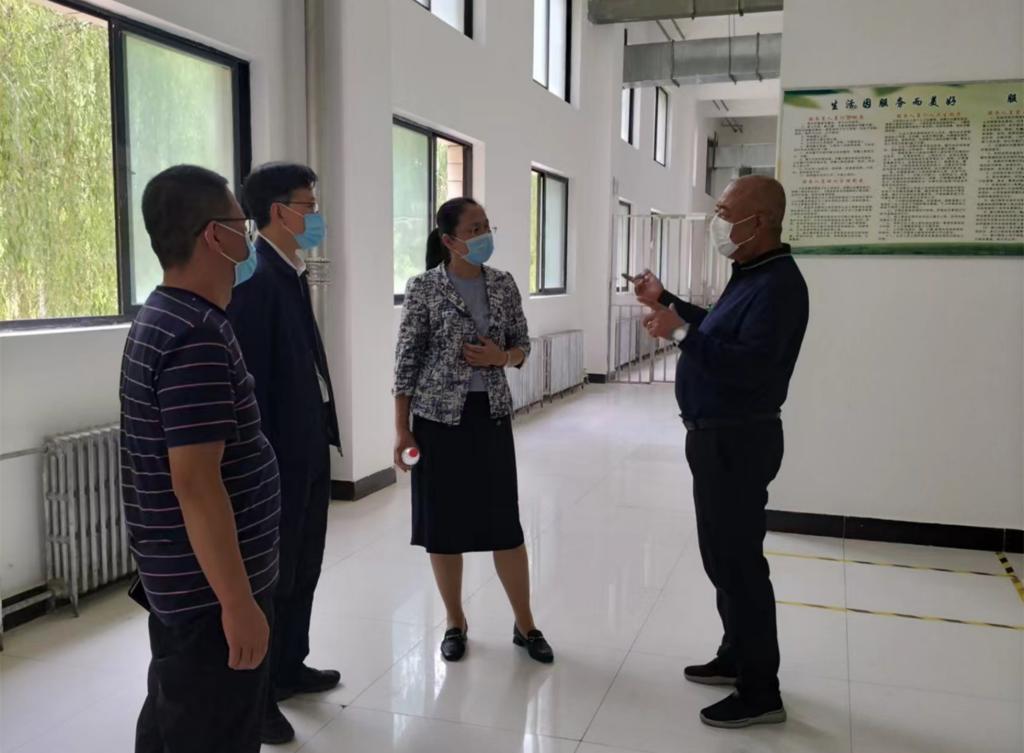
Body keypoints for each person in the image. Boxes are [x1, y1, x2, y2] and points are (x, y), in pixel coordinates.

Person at [635, 175, 808, 729]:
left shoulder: (780, 285)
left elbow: (748, 367)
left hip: (739, 439)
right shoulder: (751, 274)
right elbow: (718, 330)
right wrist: (667, 303)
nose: (718, 221)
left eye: (727, 212)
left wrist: (680, 334)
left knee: (739, 564)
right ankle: (736, 655)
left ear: (760, 221)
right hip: (716, 437)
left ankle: (761, 691)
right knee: (721, 558)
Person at [120, 164, 281, 753]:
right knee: (211, 729)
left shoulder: (162, 315)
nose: (249, 237)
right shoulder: (196, 337)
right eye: (243, 224)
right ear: (215, 235)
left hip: (181, 580)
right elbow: (196, 483)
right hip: (208, 594)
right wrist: (237, 603)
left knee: (175, 718)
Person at [393, 197, 553, 664]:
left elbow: (522, 345)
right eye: (474, 228)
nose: (484, 235)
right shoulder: (424, 288)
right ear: (449, 240)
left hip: (490, 416)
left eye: (486, 225)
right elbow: (406, 361)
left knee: (505, 526)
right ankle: (454, 621)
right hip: (437, 422)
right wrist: (401, 429)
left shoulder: (503, 284)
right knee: (443, 528)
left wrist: (501, 357)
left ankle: (525, 624)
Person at [226, 162, 341, 746]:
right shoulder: (253, 278)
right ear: (277, 211)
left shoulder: (290, 271)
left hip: (308, 446)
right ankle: (261, 694)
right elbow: (251, 386)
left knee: (304, 565)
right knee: (272, 577)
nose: (316, 216)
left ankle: (292, 663)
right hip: (277, 460)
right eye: (308, 206)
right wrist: (266, 464)